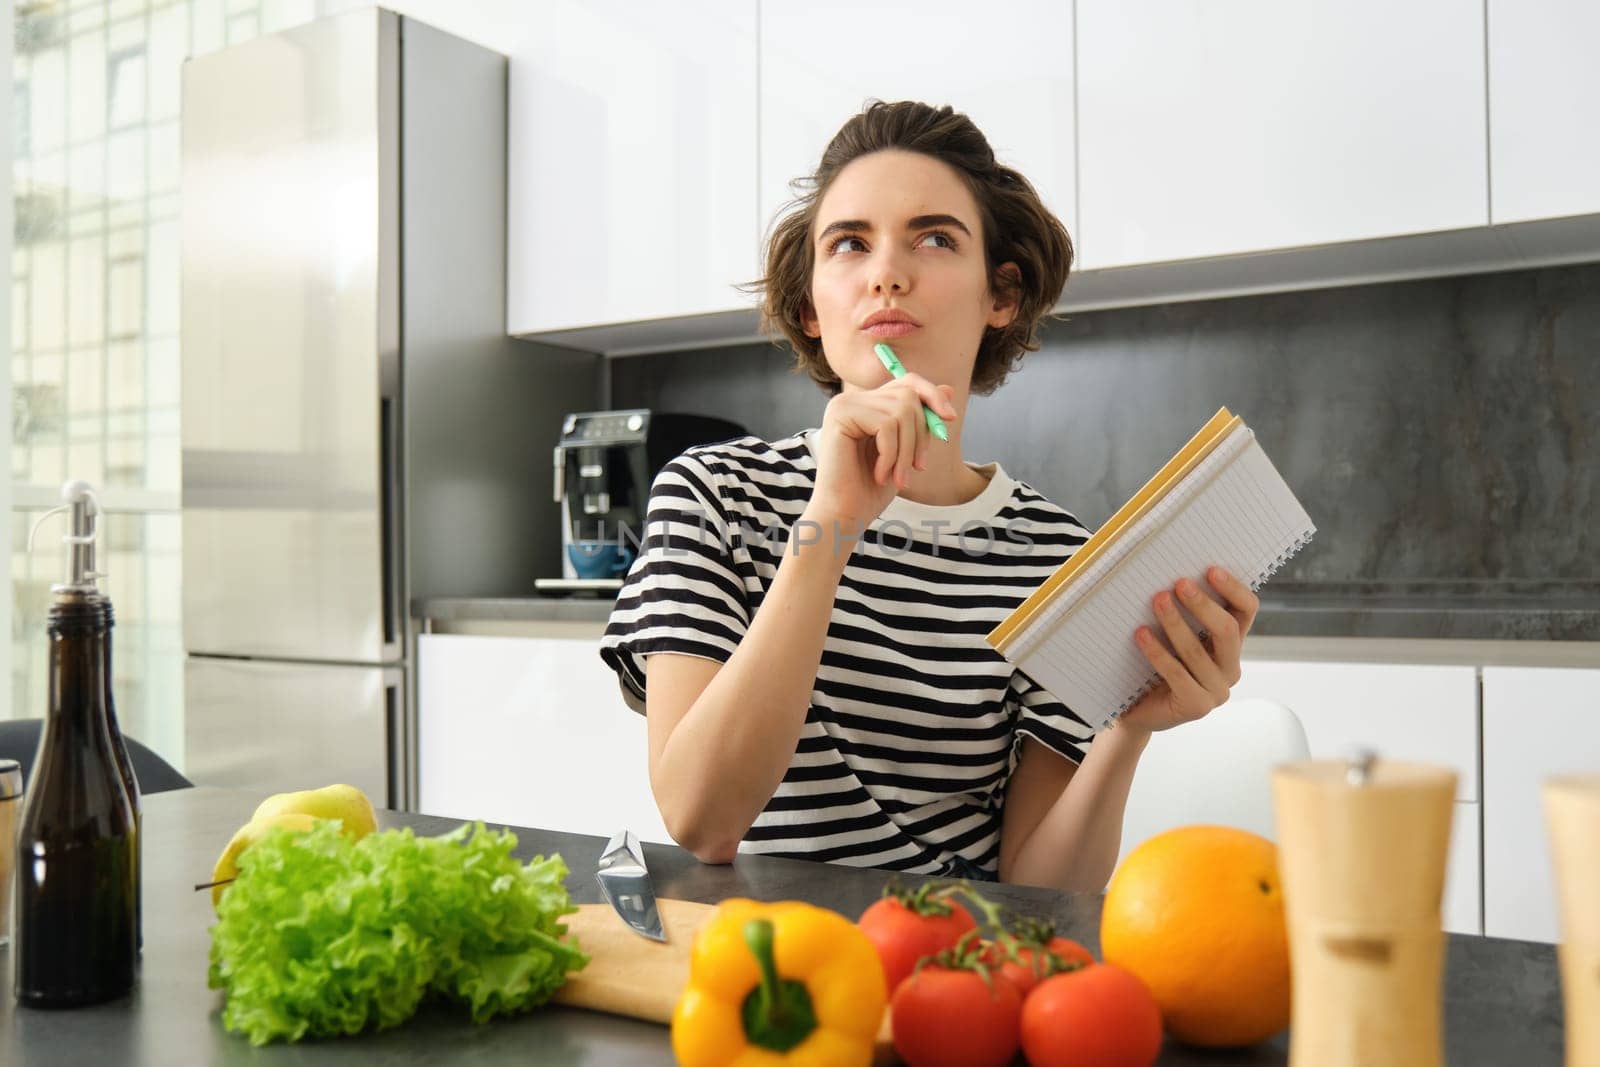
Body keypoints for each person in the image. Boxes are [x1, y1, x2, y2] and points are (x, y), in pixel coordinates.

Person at [598, 101, 1259, 892]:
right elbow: (701, 818)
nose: (887, 271)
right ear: (812, 307)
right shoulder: (712, 495)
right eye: (849, 243)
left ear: (1000, 295)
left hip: (955, 972)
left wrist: (1127, 727)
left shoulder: (1055, 557)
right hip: (763, 972)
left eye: (936, 238)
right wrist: (832, 524)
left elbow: (1040, 890)